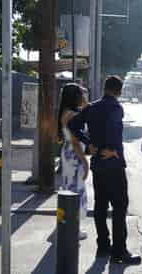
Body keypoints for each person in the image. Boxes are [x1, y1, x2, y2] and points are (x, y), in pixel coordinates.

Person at [68, 76, 141, 265]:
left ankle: (103, 247)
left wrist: (89, 144)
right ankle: (119, 252)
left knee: (100, 207)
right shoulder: (116, 108)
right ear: (119, 90)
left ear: (104, 88)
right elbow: (113, 131)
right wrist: (110, 150)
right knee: (119, 207)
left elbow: (72, 125)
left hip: (98, 166)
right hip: (114, 164)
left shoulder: (91, 107)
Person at [57, 83, 89, 240]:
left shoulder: (66, 112)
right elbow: (75, 140)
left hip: (68, 153)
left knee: (69, 187)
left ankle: (67, 224)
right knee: (75, 190)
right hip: (74, 154)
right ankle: (72, 228)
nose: (83, 97)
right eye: (80, 94)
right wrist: (85, 161)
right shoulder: (71, 115)